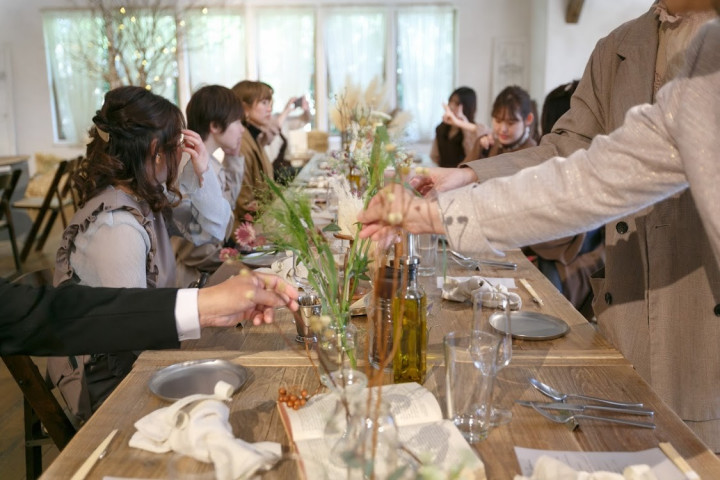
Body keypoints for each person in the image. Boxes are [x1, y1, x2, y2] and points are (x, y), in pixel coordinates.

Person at [359, 0, 720, 450]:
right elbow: (588, 167)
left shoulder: (707, 49)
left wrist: (437, 212)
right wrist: (456, 191)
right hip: (630, 313)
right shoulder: (632, 45)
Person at [49, 85, 232, 423]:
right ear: (155, 150)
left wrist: (203, 170)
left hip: (140, 352)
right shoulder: (118, 227)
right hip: (110, 383)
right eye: (176, 145)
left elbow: (213, 230)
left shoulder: (142, 198)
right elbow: (133, 329)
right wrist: (202, 315)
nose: (180, 154)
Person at [0, 270, 299, 356]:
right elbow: (50, 316)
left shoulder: (151, 207)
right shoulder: (118, 221)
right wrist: (203, 303)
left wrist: (204, 307)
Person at [524, 80, 605, 318]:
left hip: (570, 269)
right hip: (576, 261)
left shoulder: (574, 170)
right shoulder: (589, 162)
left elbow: (550, 241)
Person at [173, 84, 246, 288]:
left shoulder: (210, 162)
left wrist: (234, 157)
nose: (242, 129)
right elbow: (193, 250)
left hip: (205, 270)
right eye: (237, 121)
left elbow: (226, 206)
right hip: (191, 281)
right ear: (214, 126)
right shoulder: (191, 167)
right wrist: (241, 263)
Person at [231, 80, 275, 221]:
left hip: (263, 219)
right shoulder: (241, 143)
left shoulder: (253, 137)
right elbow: (244, 206)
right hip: (249, 229)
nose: (269, 109)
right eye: (264, 103)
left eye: (269, 103)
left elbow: (268, 185)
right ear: (245, 108)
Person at [463, 85, 538, 162]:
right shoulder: (488, 143)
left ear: (528, 119)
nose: (503, 129)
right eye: (498, 121)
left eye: (510, 123)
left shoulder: (532, 153)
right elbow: (460, 171)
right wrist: (480, 150)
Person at [429, 87, 487, 168]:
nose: (451, 106)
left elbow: (473, 158)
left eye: (457, 103)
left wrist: (464, 127)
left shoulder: (475, 130)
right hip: (444, 173)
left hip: (464, 176)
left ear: (467, 106)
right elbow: (434, 156)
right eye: (450, 101)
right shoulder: (441, 128)